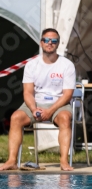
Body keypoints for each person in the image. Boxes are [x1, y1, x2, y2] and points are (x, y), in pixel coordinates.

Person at [0, 28, 76, 171]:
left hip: (58, 104)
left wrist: (50, 111)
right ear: (41, 43)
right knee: (15, 117)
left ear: (58, 44)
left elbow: (67, 95)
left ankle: (64, 161)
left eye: (54, 41)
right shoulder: (31, 65)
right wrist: (34, 109)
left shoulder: (67, 65)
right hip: (35, 103)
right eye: (47, 40)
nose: (50, 43)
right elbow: (28, 92)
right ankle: (11, 160)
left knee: (65, 118)